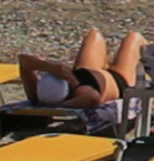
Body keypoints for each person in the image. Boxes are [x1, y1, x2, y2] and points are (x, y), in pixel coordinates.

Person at [16, 28, 144, 109]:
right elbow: (93, 99)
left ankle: (105, 63)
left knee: (93, 34)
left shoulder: (37, 94)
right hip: (118, 79)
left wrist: (52, 67)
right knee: (134, 37)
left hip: (85, 71)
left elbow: (23, 60)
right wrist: (60, 106)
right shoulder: (81, 92)